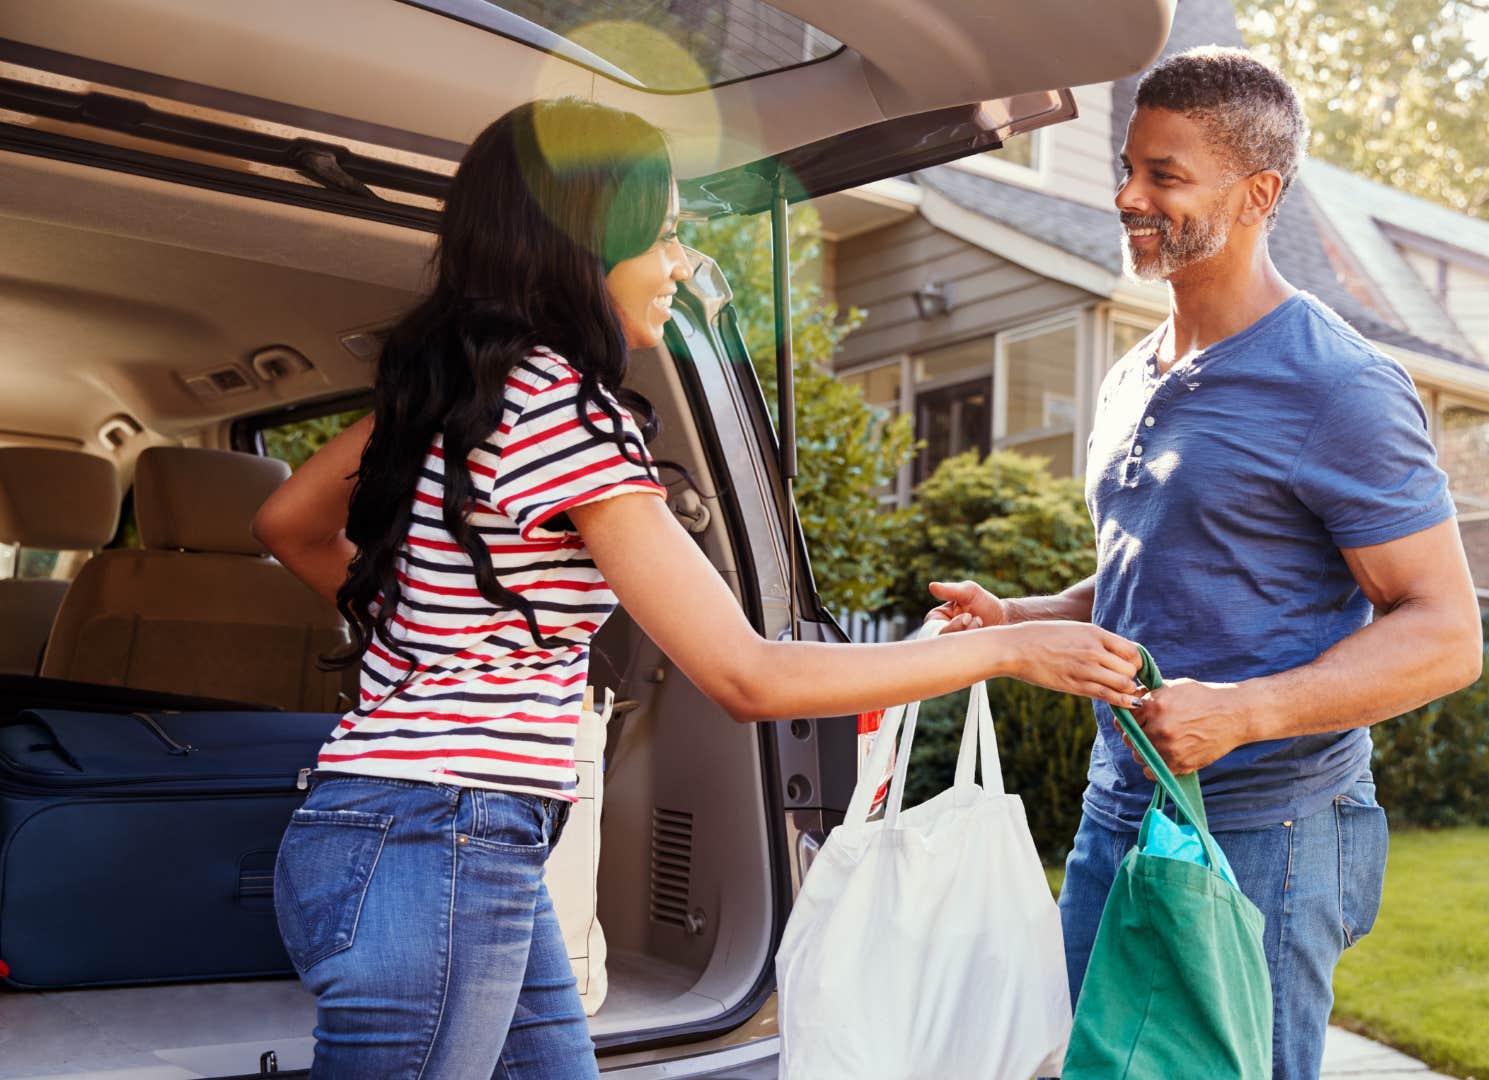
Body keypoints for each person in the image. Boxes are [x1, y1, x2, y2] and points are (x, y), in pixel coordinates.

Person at [252, 98, 1143, 1079]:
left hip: (414, 826)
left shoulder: (448, 393)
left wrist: (431, 633)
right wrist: (1007, 647)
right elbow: (747, 674)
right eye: (666, 234)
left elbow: (286, 524)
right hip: (445, 834)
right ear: (584, 240)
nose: (681, 264)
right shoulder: (563, 410)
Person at [927, 48, 1484, 1079]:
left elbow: (1446, 635)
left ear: (1258, 194)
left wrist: (1245, 712)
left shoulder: (1340, 389)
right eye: (1127, 167)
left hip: (1265, 831)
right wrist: (1018, 616)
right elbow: (1161, 573)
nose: (1127, 197)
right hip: (1117, 809)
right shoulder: (1133, 375)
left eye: (1165, 176)